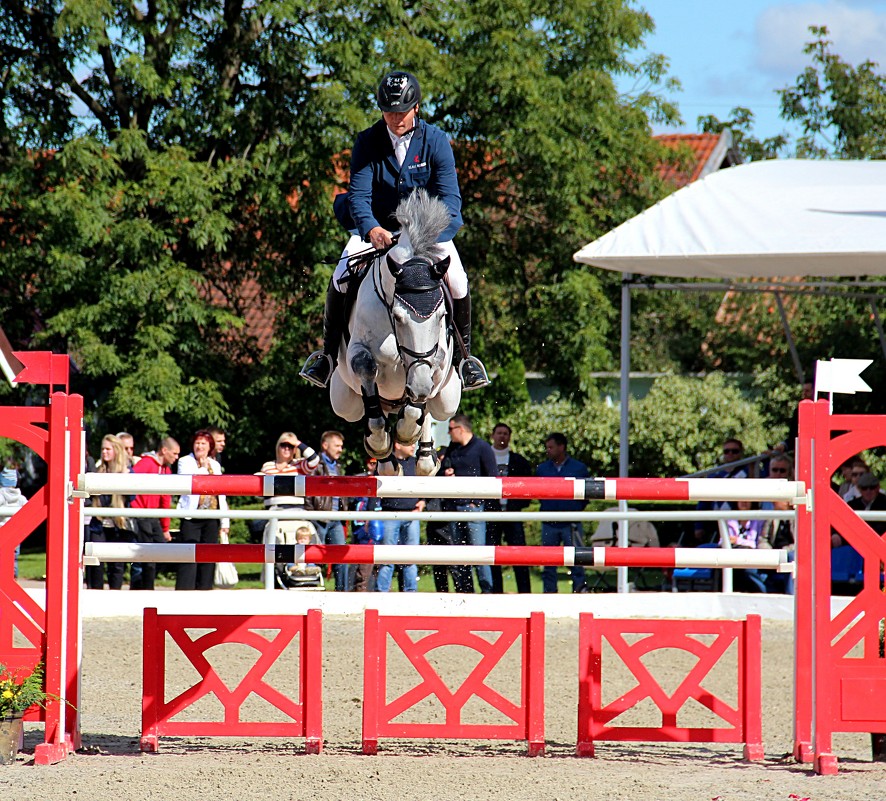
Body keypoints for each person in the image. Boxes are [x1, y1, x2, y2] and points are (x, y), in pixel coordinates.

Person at [300, 70, 489, 392]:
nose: (395, 118)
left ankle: (464, 360)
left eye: (401, 111)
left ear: (416, 108)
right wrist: (371, 228)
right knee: (340, 275)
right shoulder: (368, 141)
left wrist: (426, 237)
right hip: (378, 230)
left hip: (428, 233)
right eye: (389, 111)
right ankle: (328, 356)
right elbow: (358, 194)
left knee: (457, 280)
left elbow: (451, 199)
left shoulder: (436, 140)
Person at [442, 414, 496, 593]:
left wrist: (479, 501)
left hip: (474, 508)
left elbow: (492, 478)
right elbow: (444, 469)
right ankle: (465, 593)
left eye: (450, 429)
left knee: (479, 555)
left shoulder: (483, 448)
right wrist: (447, 473)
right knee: (460, 555)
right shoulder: (452, 448)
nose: (449, 434)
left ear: (461, 429)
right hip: (454, 508)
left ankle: (486, 592)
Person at [175, 430, 229, 591]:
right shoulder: (185, 462)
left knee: (208, 558)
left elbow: (221, 495)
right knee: (188, 559)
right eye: (197, 443)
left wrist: (225, 521)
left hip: (211, 516)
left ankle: (205, 594)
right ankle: (184, 595)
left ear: (209, 446)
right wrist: (204, 469)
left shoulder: (216, 465)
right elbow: (188, 483)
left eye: (203, 443)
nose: (199, 446)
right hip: (191, 516)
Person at [536, 433, 589, 593]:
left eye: (551, 447)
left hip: (571, 522)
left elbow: (587, 494)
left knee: (576, 560)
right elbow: (538, 493)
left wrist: (575, 509)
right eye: (547, 447)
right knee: (548, 562)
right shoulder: (542, 469)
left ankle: (579, 592)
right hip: (549, 522)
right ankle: (549, 594)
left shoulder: (579, 468)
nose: (548, 450)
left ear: (562, 447)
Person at [487, 422, 532, 594]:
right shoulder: (486, 456)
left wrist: (519, 504)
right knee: (493, 554)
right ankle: (495, 591)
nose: (502, 436)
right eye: (499, 433)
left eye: (506, 433)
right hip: (492, 513)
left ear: (510, 437)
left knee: (519, 553)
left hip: (513, 514)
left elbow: (528, 486)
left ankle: (524, 592)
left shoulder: (519, 461)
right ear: (493, 435)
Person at [129, 438, 180, 590]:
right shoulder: (146, 464)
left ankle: (145, 585)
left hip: (153, 516)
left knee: (162, 551)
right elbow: (129, 484)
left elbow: (166, 500)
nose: (176, 457)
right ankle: (143, 587)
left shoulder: (166, 470)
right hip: (141, 513)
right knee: (146, 554)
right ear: (164, 450)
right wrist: (134, 507)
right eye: (174, 453)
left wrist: (165, 528)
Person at [375, 442, 425, 593]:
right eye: (409, 443)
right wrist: (370, 513)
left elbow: (424, 484)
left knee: (411, 558)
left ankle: (410, 592)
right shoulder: (386, 462)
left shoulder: (417, 463)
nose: (413, 446)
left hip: (411, 514)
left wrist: (423, 500)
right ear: (397, 444)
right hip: (390, 514)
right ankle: (382, 592)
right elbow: (375, 485)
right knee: (387, 558)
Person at [303, 431, 350, 591]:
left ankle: (341, 592)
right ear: (325, 445)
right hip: (319, 517)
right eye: (337, 446)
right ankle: (311, 588)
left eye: (341, 446)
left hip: (335, 519)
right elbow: (307, 490)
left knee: (341, 555)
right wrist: (311, 514)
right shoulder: (315, 465)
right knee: (313, 555)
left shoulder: (337, 466)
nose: (340, 450)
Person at [86, 435, 132, 590]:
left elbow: (132, 497)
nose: (104, 452)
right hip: (99, 523)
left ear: (116, 451)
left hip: (118, 524)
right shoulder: (98, 470)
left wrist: (125, 481)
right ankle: (94, 595)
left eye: (108, 449)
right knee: (96, 563)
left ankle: (115, 597)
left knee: (117, 566)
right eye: (103, 449)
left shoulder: (127, 472)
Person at [693, 438, 748, 543]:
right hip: (715, 523)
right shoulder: (714, 475)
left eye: (734, 451)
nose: (730, 454)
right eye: (727, 451)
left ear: (741, 453)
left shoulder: (748, 472)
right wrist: (698, 526)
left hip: (737, 521)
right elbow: (703, 502)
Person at [725, 501, 768, 593]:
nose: (743, 502)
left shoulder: (759, 519)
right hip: (734, 554)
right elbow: (723, 540)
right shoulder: (731, 519)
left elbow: (755, 544)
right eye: (740, 499)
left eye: (747, 500)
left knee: (746, 569)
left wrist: (737, 540)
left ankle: (760, 592)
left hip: (753, 555)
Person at [0, 467, 27, 579]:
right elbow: (29, 510)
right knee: (13, 558)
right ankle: (13, 580)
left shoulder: (1, 495)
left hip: (1, 531)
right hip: (15, 534)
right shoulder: (20, 497)